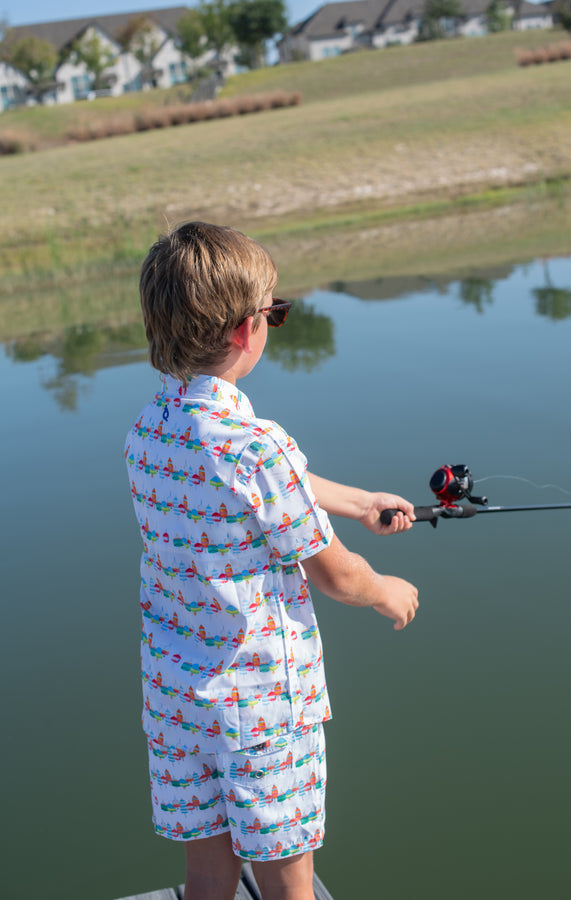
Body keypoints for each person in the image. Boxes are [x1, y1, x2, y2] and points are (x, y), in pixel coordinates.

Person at [124, 222, 419, 900]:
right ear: (242, 330)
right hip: (263, 711)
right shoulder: (258, 445)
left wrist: (361, 500)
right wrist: (386, 590)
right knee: (289, 878)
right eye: (274, 313)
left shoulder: (150, 431)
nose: (272, 324)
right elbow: (337, 574)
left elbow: (258, 491)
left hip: (177, 703)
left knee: (207, 874)